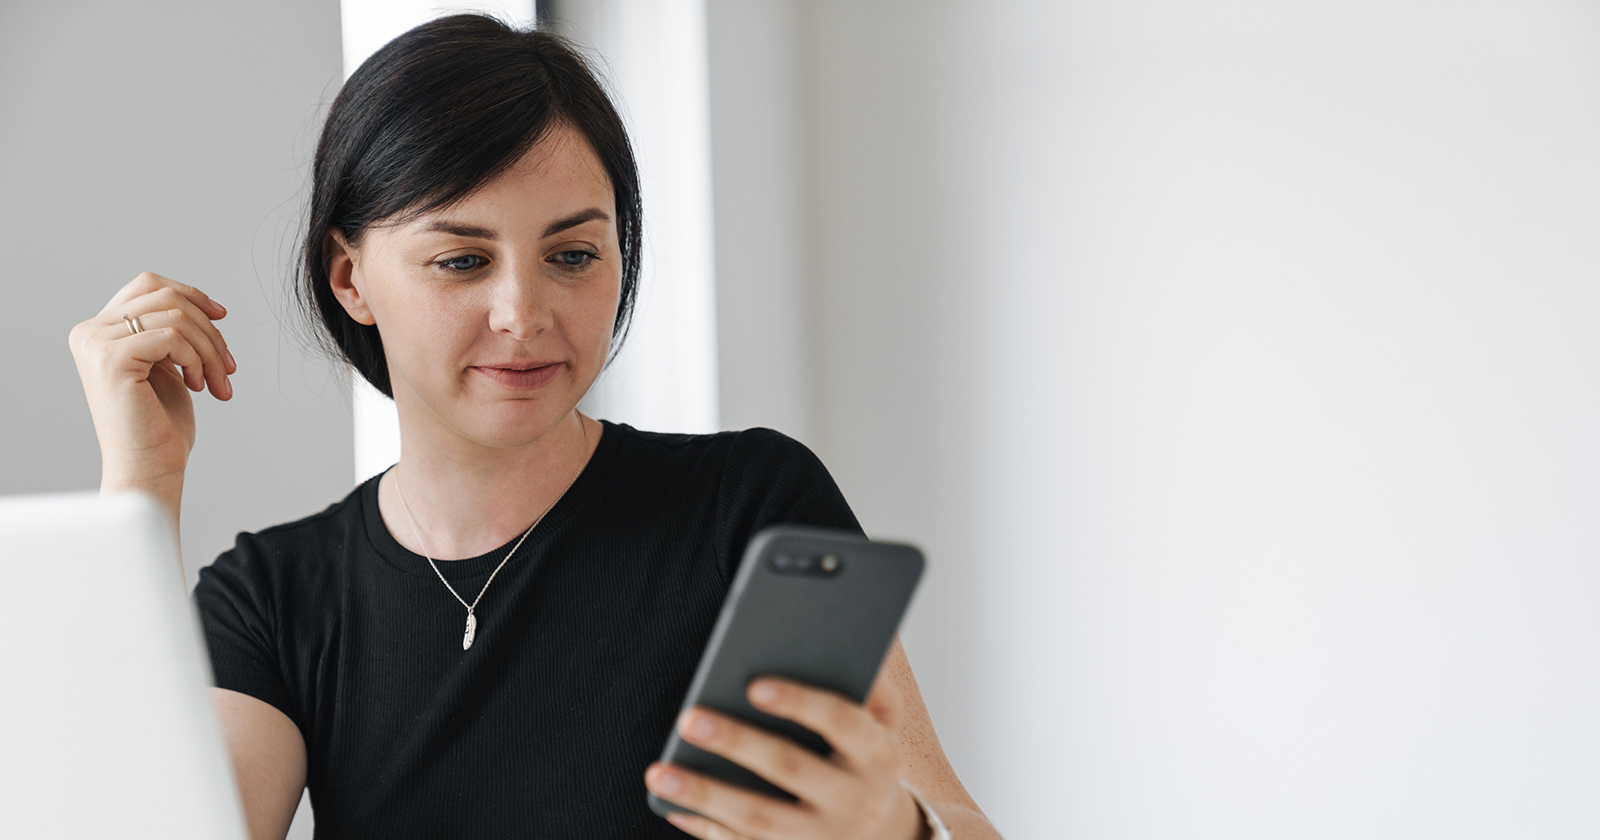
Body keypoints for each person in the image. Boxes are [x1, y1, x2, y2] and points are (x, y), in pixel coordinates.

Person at [68, 14, 998, 840]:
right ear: (350, 278)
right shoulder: (273, 601)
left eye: (574, 254)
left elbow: (955, 820)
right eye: (462, 260)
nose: (523, 313)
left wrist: (897, 832)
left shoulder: (746, 506)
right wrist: (140, 490)